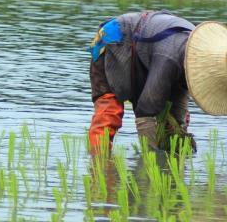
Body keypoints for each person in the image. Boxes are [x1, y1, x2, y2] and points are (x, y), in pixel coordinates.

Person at [87, 11, 227, 151]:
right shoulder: (170, 57)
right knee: (109, 111)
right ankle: (98, 162)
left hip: (149, 54)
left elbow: (178, 105)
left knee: (174, 121)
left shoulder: (195, 59)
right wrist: (150, 160)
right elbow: (146, 110)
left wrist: (179, 132)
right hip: (116, 38)